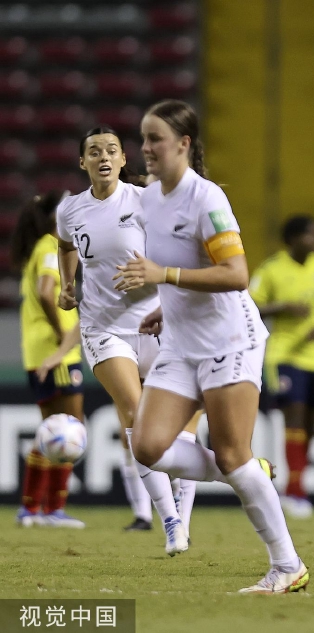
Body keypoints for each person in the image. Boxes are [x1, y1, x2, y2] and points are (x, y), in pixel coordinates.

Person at [114, 99, 308, 593]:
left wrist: (164, 276)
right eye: (143, 138)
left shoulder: (206, 200)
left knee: (229, 452)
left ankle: (287, 565)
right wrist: (168, 305)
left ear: (183, 144)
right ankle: (244, 470)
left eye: (155, 139)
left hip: (230, 339)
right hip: (181, 342)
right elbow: (181, 266)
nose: (146, 148)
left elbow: (236, 274)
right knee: (147, 445)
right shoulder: (150, 199)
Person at [54, 125, 197, 551]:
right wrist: (67, 285)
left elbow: (183, 249)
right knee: (136, 415)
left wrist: (155, 274)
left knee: (185, 426)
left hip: (158, 323)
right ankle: (169, 521)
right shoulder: (70, 210)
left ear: (122, 160)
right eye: (94, 151)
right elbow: (65, 245)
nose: (103, 157)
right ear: (82, 161)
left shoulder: (146, 201)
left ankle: (185, 518)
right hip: (103, 327)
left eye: (111, 150)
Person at [250, 216, 314, 519]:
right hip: (284, 355)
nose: (313, 241)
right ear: (291, 239)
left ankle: (295, 485)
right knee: (294, 417)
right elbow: (250, 307)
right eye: (307, 235)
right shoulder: (271, 269)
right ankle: (295, 491)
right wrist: (282, 307)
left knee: (310, 426)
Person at [12, 191, 85, 529]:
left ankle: (31, 509)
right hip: (56, 353)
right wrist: (60, 333)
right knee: (69, 429)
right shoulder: (49, 248)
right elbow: (46, 291)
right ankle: (52, 508)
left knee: (51, 430)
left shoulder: (38, 248)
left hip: (38, 351)